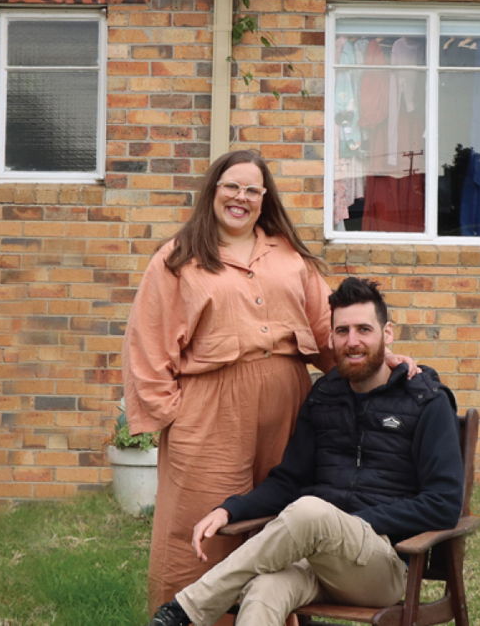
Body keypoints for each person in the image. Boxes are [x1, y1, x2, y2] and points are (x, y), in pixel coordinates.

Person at [147, 277, 465, 626]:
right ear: (330, 338)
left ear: (387, 334)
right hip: (318, 558)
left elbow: (444, 502)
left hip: (383, 564)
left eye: (364, 329)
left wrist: (350, 524)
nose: (353, 341)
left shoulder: (425, 400)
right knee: (265, 590)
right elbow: (289, 481)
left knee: (311, 512)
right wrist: (229, 509)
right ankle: (200, 606)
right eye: (342, 331)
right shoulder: (324, 396)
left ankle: (188, 608)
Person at [122, 149, 341, 617]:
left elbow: (327, 327)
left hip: (288, 404)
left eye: (252, 190)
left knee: (279, 525)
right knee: (198, 530)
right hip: (210, 412)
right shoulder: (178, 259)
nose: (240, 197)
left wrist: (378, 361)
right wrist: (173, 418)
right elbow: (147, 342)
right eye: (231, 187)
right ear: (213, 191)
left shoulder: (288, 255)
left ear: (265, 199)